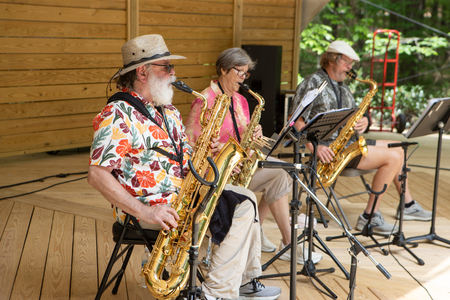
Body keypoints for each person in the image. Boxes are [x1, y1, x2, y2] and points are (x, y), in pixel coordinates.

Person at [87, 34, 281, 300]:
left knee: (245, 200)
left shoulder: (168, 112)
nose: (174, 73)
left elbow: (182, 155)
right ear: (142, 72)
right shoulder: (118, 114)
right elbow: (97, 175)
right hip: (150, 208)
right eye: (166, 67)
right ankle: (219, 291)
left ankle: (226, 286)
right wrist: (146, 211)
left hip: (183, 195)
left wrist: (205, 155)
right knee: (242, 207)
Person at [185, 47, 322, 264]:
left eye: (246, 73)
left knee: (282, 172)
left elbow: (244, 135)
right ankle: (267, 237)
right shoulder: (205, 100)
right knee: (278, 176)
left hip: (242, 163)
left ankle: (285, 243)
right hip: (218, 172)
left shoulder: (241, 100)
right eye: (239, 71)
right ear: (222, 69)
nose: (243, 77)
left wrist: (255, 133)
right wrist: (222, 156)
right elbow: (191, 145)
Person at [291, 40, 432, 234]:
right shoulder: (312, 82)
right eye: (347, 62)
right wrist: (314, 147)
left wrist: (364, 123)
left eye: (352, 64)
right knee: (394, 157)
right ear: (332, 60)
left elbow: (357, 117)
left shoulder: (344, 88)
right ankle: (369, 217)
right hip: (330, 151)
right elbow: (296, 121)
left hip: (349, 143)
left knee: (399, 147)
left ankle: (407, 204)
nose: (350, 68)